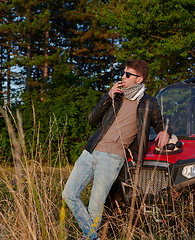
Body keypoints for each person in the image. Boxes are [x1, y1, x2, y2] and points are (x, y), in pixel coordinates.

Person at [62, 59, 170, 239]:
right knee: (68, 194)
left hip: (113, 157)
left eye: (128, 74)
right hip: (90, 151)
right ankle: (92, 236)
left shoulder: (148, 103)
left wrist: (165, 132)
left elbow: (160, 124)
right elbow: (92, 119)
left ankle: (89, 237)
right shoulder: (116, 96)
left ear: (139, 79)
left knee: (95, 205)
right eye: (123, 73)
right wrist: (108, 96)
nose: (123, 77)